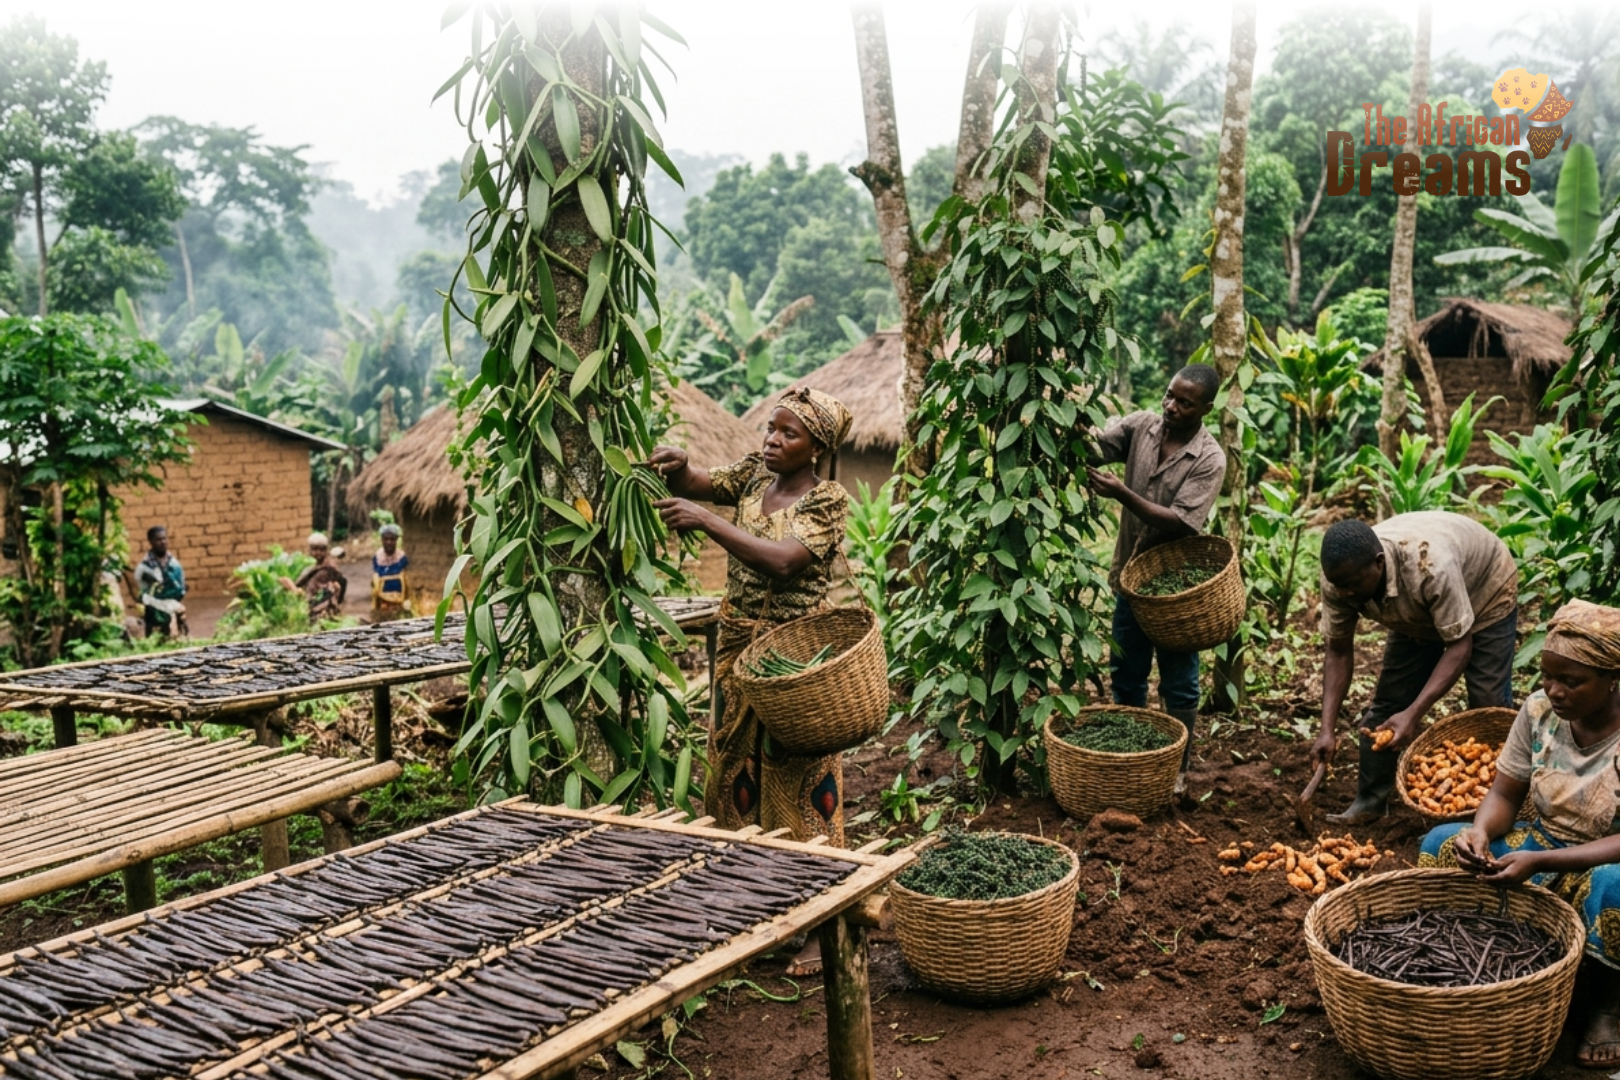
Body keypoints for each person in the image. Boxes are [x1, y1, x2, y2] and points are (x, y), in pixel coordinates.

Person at [648, 385, 853, 975]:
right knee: (732, 772)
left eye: (788, 434)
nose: (772, 440)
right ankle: (750, 908)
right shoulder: (751, 477)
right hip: (738, 645)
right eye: (770, 428)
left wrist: (707, 522)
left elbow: (783, 561)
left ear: (815, 448)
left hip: (795, 656)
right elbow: (697, 486)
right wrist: (682, 467)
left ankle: (821, 922)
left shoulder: (826, 500)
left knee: (802, 778)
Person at [1417, 600, 1620, 1067]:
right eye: (1548, 677)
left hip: (1601, 859)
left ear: (1613, 678)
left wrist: (1541, 862)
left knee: (1614, 889)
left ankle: (1607, 1005)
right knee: (1441, 844)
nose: (1555, 691)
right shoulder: (1538, 712)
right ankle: (1472, 962)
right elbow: (1505, 795)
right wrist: (1481, 833)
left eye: (1571, 681)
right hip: (1542, 840)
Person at [1311, 513, 1518, 824]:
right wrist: (1327, 729)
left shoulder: (1430, 566)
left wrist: (1415, 712)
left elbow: (1460, 646)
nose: (1345, 594)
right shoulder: (1340, 578)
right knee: (1389, 705)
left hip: (1485, 590)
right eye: (1340, 586)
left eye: (1352, 585)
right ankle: (1369, 803)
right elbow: (1338, 650)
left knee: (1486, 706)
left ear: (1378, 562)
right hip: (1417, 611)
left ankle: (1496, 808)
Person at [1086, 363, 1226, 791]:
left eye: (1185, 403)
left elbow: (1182, 522)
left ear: (1205, 408)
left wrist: (1123, 493)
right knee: (1126, 673)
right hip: (1130, 575)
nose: (1171, 407)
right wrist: (1069, 425)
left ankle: (1177, 771)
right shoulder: (1142, 427)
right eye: (1170, 396)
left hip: (1175, 589)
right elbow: (1096, 449)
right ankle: (1133, 760)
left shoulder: (1209, 458)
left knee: (1179, 683)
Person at [134, 525, 187, 638]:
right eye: (158, 539)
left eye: (164, 538)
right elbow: (142, 591)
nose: (163, 542)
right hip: (152, 606)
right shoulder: (145, 567)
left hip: (172, 602)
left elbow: (180, 586)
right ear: (151, 541)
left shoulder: (174, 564)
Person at [283, 532, 347, 621]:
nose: (318, 553)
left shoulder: (325, 571)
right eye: (315, 549)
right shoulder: (312, 566)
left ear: (326, 551)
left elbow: (312, 598)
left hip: (321, 616)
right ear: (309, 550)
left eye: (321, 550)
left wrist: (291, 587)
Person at [370, 524, 410, 621]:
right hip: (382, 601)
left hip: (398, 600)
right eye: (386, 539)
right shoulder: (377, 557)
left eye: (392, 539)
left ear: (396, 540)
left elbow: (405, 579)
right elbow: (376, 577)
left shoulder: (401, 558)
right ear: (382, 540)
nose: (389, 542)